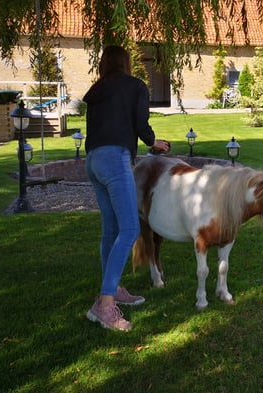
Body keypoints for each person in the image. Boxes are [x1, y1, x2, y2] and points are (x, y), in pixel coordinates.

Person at [84, 45, 170, 331]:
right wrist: (153, 142)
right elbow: (139, 122)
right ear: (126, 63)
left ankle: (114, 286)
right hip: (114, 159)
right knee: (131, 229)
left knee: (111, 229)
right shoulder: (135, 86)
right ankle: (105, 305)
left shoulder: (97, 90)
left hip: (93, 161)